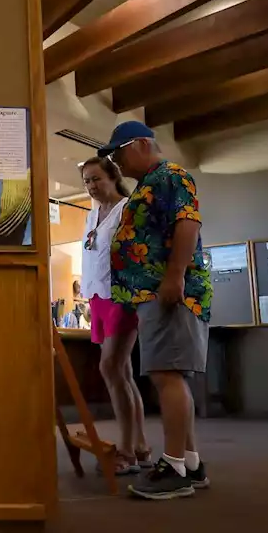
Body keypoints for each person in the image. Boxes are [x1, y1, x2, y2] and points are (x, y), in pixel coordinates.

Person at [101, 121, 212, 500]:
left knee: (167, 375)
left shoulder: (171, 176)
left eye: (119, 152)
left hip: (170, 293)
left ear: (143, 144)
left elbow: (187, 223)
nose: (115, 161)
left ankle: (174, 467)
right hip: (151, 296)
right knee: (169, 376)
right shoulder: (147, 185)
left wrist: (175, 276)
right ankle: (191, 463)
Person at [79, 155, 151, 476]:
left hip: (121, 296)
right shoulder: (92, 213)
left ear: (113, 176)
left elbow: (138, 256)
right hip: (97, 297)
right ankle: (140, 445)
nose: (92, 186)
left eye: (96, 178)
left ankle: (125, 450)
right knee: (121, 372)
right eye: (87, 181)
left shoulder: (128, 210)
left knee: (109, 367)